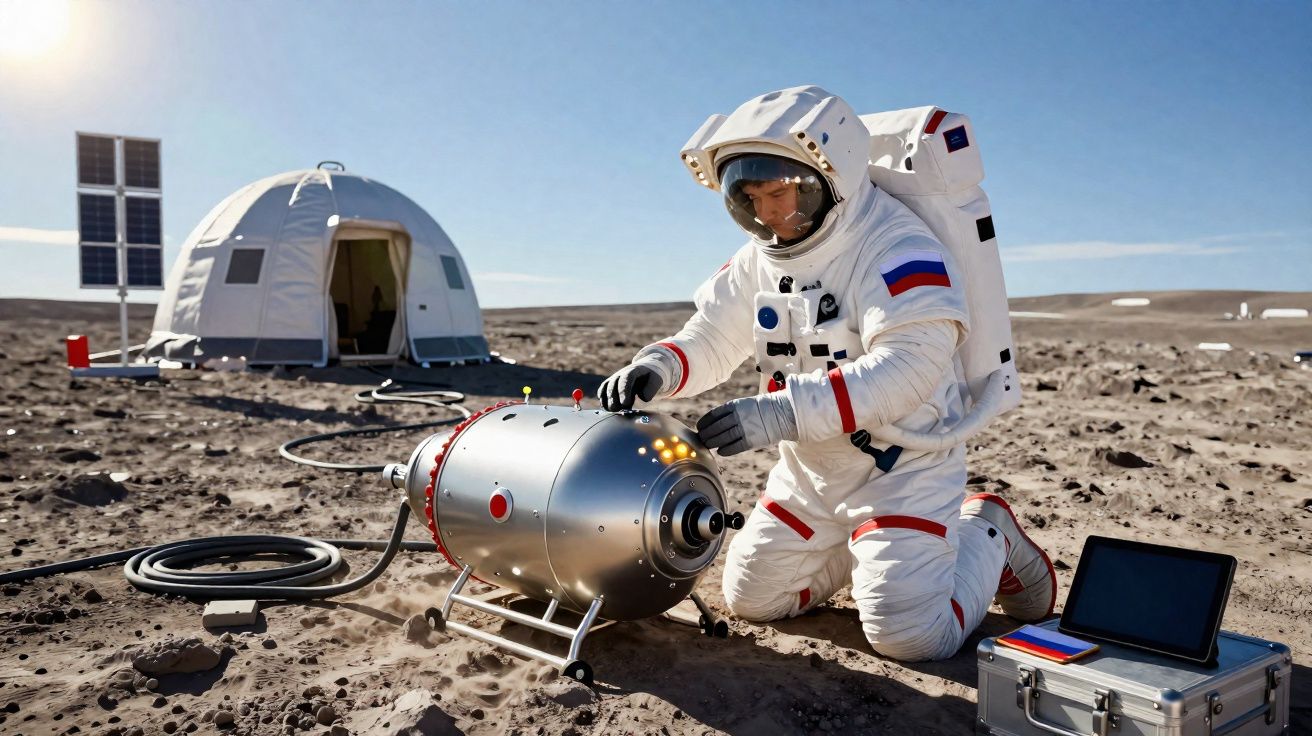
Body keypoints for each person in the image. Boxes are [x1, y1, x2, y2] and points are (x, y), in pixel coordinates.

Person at [598, 86, 1055, 662]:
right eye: (751, 198)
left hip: (903, 467)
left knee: (911, 636)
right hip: (812, 473)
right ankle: (869, 550)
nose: (768, 214)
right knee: (753, 599)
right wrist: (659, 366)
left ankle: (987, 530)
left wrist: (782, 413)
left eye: (779, 193)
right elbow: (713, 334)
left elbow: (908, 368)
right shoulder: (758, 259)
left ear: (829, 176)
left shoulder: (898, 246)